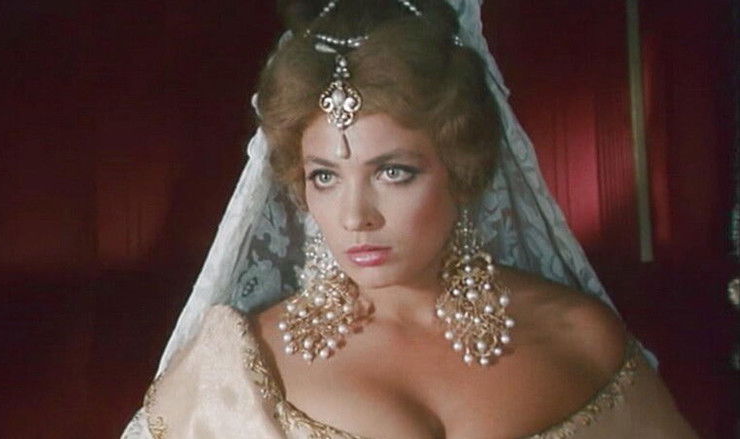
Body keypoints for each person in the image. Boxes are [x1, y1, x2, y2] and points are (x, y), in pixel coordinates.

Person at [122, 0, 697, 437]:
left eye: (393, 172)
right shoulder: (240, 367)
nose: (356, 216)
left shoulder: (579, 338)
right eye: (325, 177)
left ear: (461, 169)